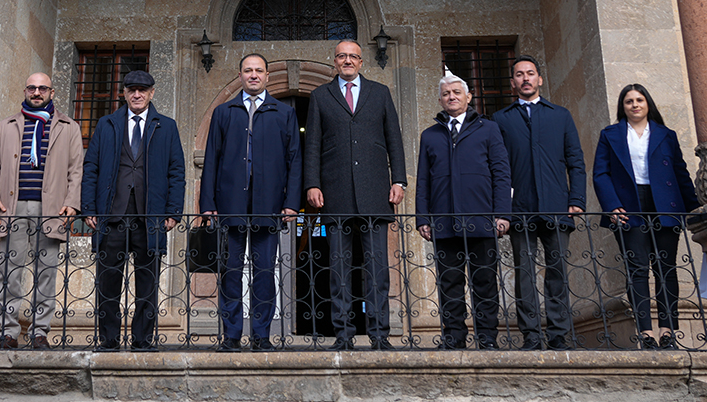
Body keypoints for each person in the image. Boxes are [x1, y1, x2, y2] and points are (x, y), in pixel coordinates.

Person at [304, 39, 407, 351]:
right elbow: (313, 145)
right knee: (339, 269)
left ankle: (379, 334)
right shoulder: (320, 96)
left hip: (375, 192)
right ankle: (343, 334)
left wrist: (399, 181)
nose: (347, 61)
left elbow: (394, 139)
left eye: (353, 57)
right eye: (342, 56)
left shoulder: (381, 93)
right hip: (335, 193)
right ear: (334, 61)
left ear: (362, 62)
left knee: (377, 268)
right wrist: (312, 183)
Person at [200, 53, 301, 352]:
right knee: (230, 272)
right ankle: (231, 335)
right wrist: (208, 203)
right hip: (230, 204)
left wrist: (291, 203)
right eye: (248, 70)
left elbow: (294, 161)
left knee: (265, 273)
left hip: (268, 206)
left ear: (268, 76)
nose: (253, 75)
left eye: (259, 71)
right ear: (240, 75)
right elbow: (211, 161)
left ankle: (261, 334)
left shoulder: (284, 113)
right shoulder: (224, 112)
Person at [81, 70, 186, 350]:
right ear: (124, 93)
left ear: (152, 93)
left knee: (147, 283)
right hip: (111, 215)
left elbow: (177, 171)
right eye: (131, 90)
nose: (137, 94)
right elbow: (91, 167)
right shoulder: (107, 124)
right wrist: (89, 207)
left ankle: (142, 339)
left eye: (143, 90)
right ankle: (109, 339)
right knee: (108, 283)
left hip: (150, 217)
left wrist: (174, 210)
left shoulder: (167, 126)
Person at [592, 84, 700, 350]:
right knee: (637, 269)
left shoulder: (666, 135)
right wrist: (612, 206)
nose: (635, 105)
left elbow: (681, 173)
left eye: (639, 100)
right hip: (628, 207)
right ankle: (646, 333)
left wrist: (694, 209)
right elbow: (601, 173)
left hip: (664, 204)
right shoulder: (611, 134)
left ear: (648, 103)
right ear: (623, 106)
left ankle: (667, 331)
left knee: (665, 269)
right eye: (629, 101)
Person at [491, 54, 586, 351]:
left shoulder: (561, 115)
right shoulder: (501, 119)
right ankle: (531, 334)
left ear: (540, 79)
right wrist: (501, 210)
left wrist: (577, 199)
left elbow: (576, 162)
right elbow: (498, 167)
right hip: (520, 207)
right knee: (525, 273)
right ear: (512, 83)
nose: (525, 79)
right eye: (519, 75)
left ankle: (558, 333)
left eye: (530, 73)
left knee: (557, 272)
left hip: (557, 205)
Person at [0, 73, 83, 350]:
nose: (36, 92)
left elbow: (76, 170)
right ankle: (9, 332)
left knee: (46, 271)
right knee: (9, 271)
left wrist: (72, 203)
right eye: (32, 87)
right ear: (25, 90)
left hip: (51, 210)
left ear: (52, 92)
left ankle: (39, 333)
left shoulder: (68, 126)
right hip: (11, 208)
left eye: (42, 88)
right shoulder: (7, 126)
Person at [416, 74, 511, 350]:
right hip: (444, 222)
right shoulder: (429, 136)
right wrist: (423, 217)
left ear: (468, 97)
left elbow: (501, 174)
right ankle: (454, 337)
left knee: (484, 281)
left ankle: (487, 338)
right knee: (450, 283)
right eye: (446, 94)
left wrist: (502, 213)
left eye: (457, 92)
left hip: (482, 220)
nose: (451, 97)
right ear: (440, 100)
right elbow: (424, 180)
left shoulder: (488, 129)